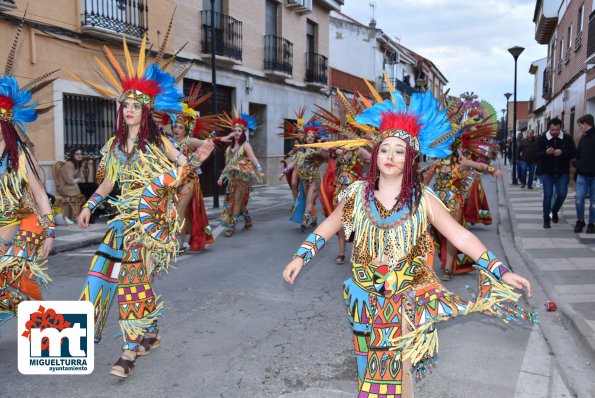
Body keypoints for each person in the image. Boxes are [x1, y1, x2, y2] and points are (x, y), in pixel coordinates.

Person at [283, 86, 535, 398]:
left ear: (410, 157)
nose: (391, 156)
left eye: (399, 151)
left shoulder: (423, 199)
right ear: (376, 153)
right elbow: (328, 226)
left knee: (394, 374)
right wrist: (300, 256)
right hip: (363, 297)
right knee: (370, 372)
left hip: (405, 299)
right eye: (385, 149)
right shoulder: (356, 195)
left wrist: (500, 270)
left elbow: (460, 235)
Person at [72, 34, 215, 377]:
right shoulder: (114, 145)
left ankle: (128, 351)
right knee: (103, 274)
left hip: (152, 223)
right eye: (126, 105)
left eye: (136, 105)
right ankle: (149, 332)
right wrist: (89, 205)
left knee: (132, 281)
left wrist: (197, 158)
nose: (130, 110)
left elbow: (183, 168)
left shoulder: (159, 142)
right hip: (123, 222)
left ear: (146, 110)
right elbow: (107, 182)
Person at [0, 23, 57, 326]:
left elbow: (39, 195)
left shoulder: (19, 156)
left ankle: (43, 327)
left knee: (19, 274)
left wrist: (49, 231)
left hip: (22, 222)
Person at [170, 85, 218, 251]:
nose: (176, 129)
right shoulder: (169, 143)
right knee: (187, 213)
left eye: (180, 127)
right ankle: (190, 237)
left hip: (189, 181)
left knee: (180, 209)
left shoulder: (189, 141)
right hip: (174, 180)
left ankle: (178, 243)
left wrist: (197, 160)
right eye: (175, 126)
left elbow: (208, 144)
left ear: (187, 129)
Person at [217, 110, 264, 237]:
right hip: (232, 177)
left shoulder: (246, 145)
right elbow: (228, 164)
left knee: (237, 199)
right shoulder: (229, 148)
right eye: (234, 130)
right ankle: (248, 219)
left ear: (243, 132)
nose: (236, 132)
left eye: (239, 130)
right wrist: (222, 177)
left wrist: (259, 169)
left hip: (243, 176)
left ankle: (232, 226)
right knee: (236, 199)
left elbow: (253, 158)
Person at [537, 117, 576, 228]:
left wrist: (562, 152)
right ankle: (546, 219)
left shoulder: (567, 139)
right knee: (548, 196)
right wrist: (546, 152)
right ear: (549, 127)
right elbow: (537, 155)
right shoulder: (542, 139)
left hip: (562, 172)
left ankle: (554, 211)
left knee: (562, 194)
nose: (554, 132)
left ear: (560, 128)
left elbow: (573, 153)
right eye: (553, 129)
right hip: (547, 172)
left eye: (557, 130)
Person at [574, 114, 595, 233]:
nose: (579, 127)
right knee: (579, 198)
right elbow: (579, 154)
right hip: (582, 174)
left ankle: (592, 223)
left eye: (580, 125)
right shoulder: (583, 137)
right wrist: (577, 166)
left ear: (586, 124)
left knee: (594, 200)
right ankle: (580, 220)